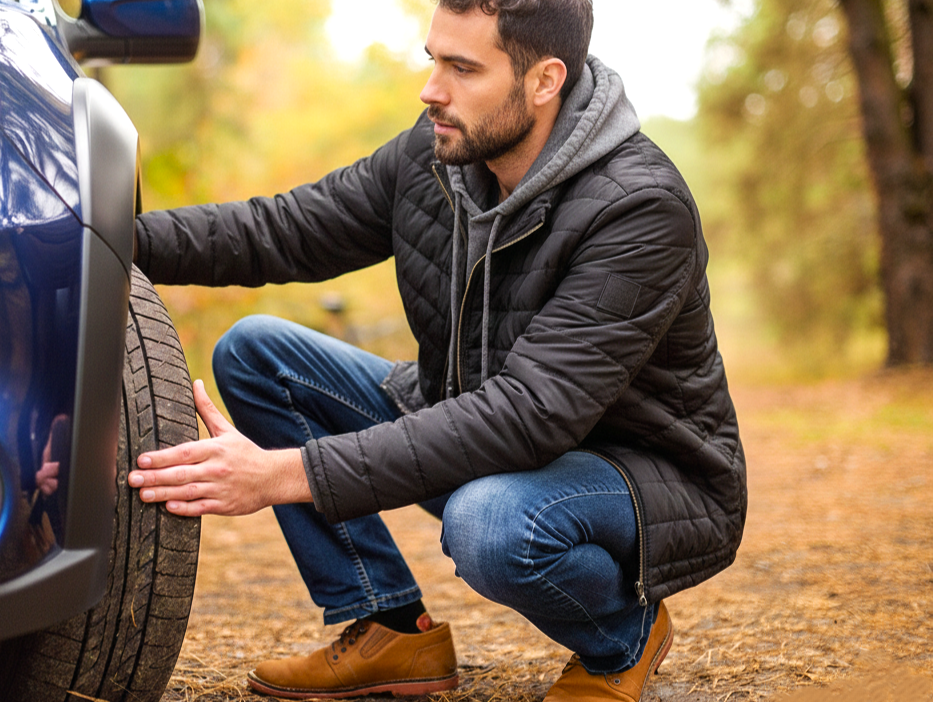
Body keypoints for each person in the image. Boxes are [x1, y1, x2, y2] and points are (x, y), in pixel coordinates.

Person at [127, 0, 746, 699]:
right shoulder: (438, 156)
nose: (432, 89)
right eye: (433, 61)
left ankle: (620, 639)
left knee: (490, 523)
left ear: (544, 81)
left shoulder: (637, 208)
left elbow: (525, 417)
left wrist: (278, 475)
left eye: (463, 68)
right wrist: (106, 235)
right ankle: (391, 629)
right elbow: (283, 230)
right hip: (480, 428)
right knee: (256, 352)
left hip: (638, 474)